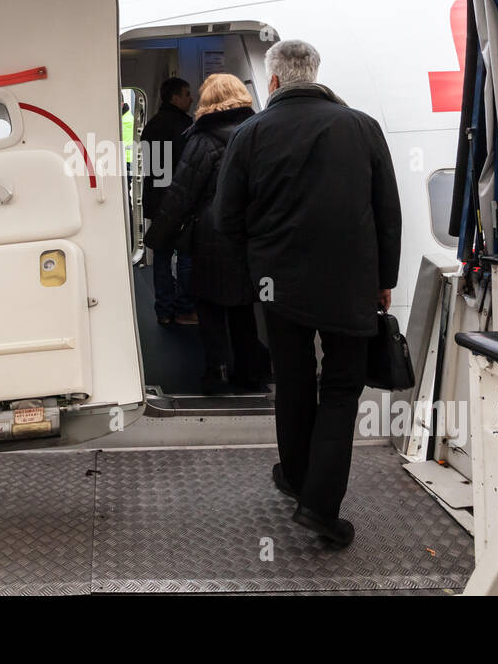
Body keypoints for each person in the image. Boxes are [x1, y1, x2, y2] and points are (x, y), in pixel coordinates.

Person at [214, 39, 401, 548]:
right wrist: (385, 279)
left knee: (294, 383)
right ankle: (320, 505)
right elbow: (387, 210)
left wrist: (254, 276)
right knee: (341, 390)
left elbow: (225, 218)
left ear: (273, 81)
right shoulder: (361, 127)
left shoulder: (250, 134)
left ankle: (296, 478)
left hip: (279, 288)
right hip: (351, 285)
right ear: (315, 73)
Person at [145, 73, 270, 394]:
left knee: (211, 310)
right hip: (249, 240)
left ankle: (216, 374)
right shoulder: (261, 134)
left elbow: (182, 194)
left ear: (209, 101)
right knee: (243, 311)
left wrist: (157, 237)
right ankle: (251, 375)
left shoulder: (202, 139)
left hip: (210, 241)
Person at [140, 77, 196, 326]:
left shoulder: (151, 125)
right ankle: (184, 310)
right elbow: (189, 168)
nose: (190, 98)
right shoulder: (186, 127)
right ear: (174, 98)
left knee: (161, 257)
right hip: (179, 202)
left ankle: (163, 311)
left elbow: (152, 169)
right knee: (185, 255)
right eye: (186, 94)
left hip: (157, 201)